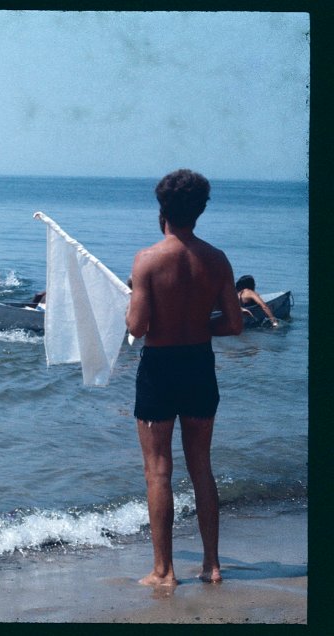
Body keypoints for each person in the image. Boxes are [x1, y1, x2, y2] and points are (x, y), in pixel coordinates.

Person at [126, 169, 244, 588]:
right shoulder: (216, 259)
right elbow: (234, 324)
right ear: (200, 211)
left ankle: (164, 571)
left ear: (162, 210)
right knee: (202, 468)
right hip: (199, 364)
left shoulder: (147, 261)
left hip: (159, 367)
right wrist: (196, 325)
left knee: (158, 471)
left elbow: (137, 328)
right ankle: (212, 565)